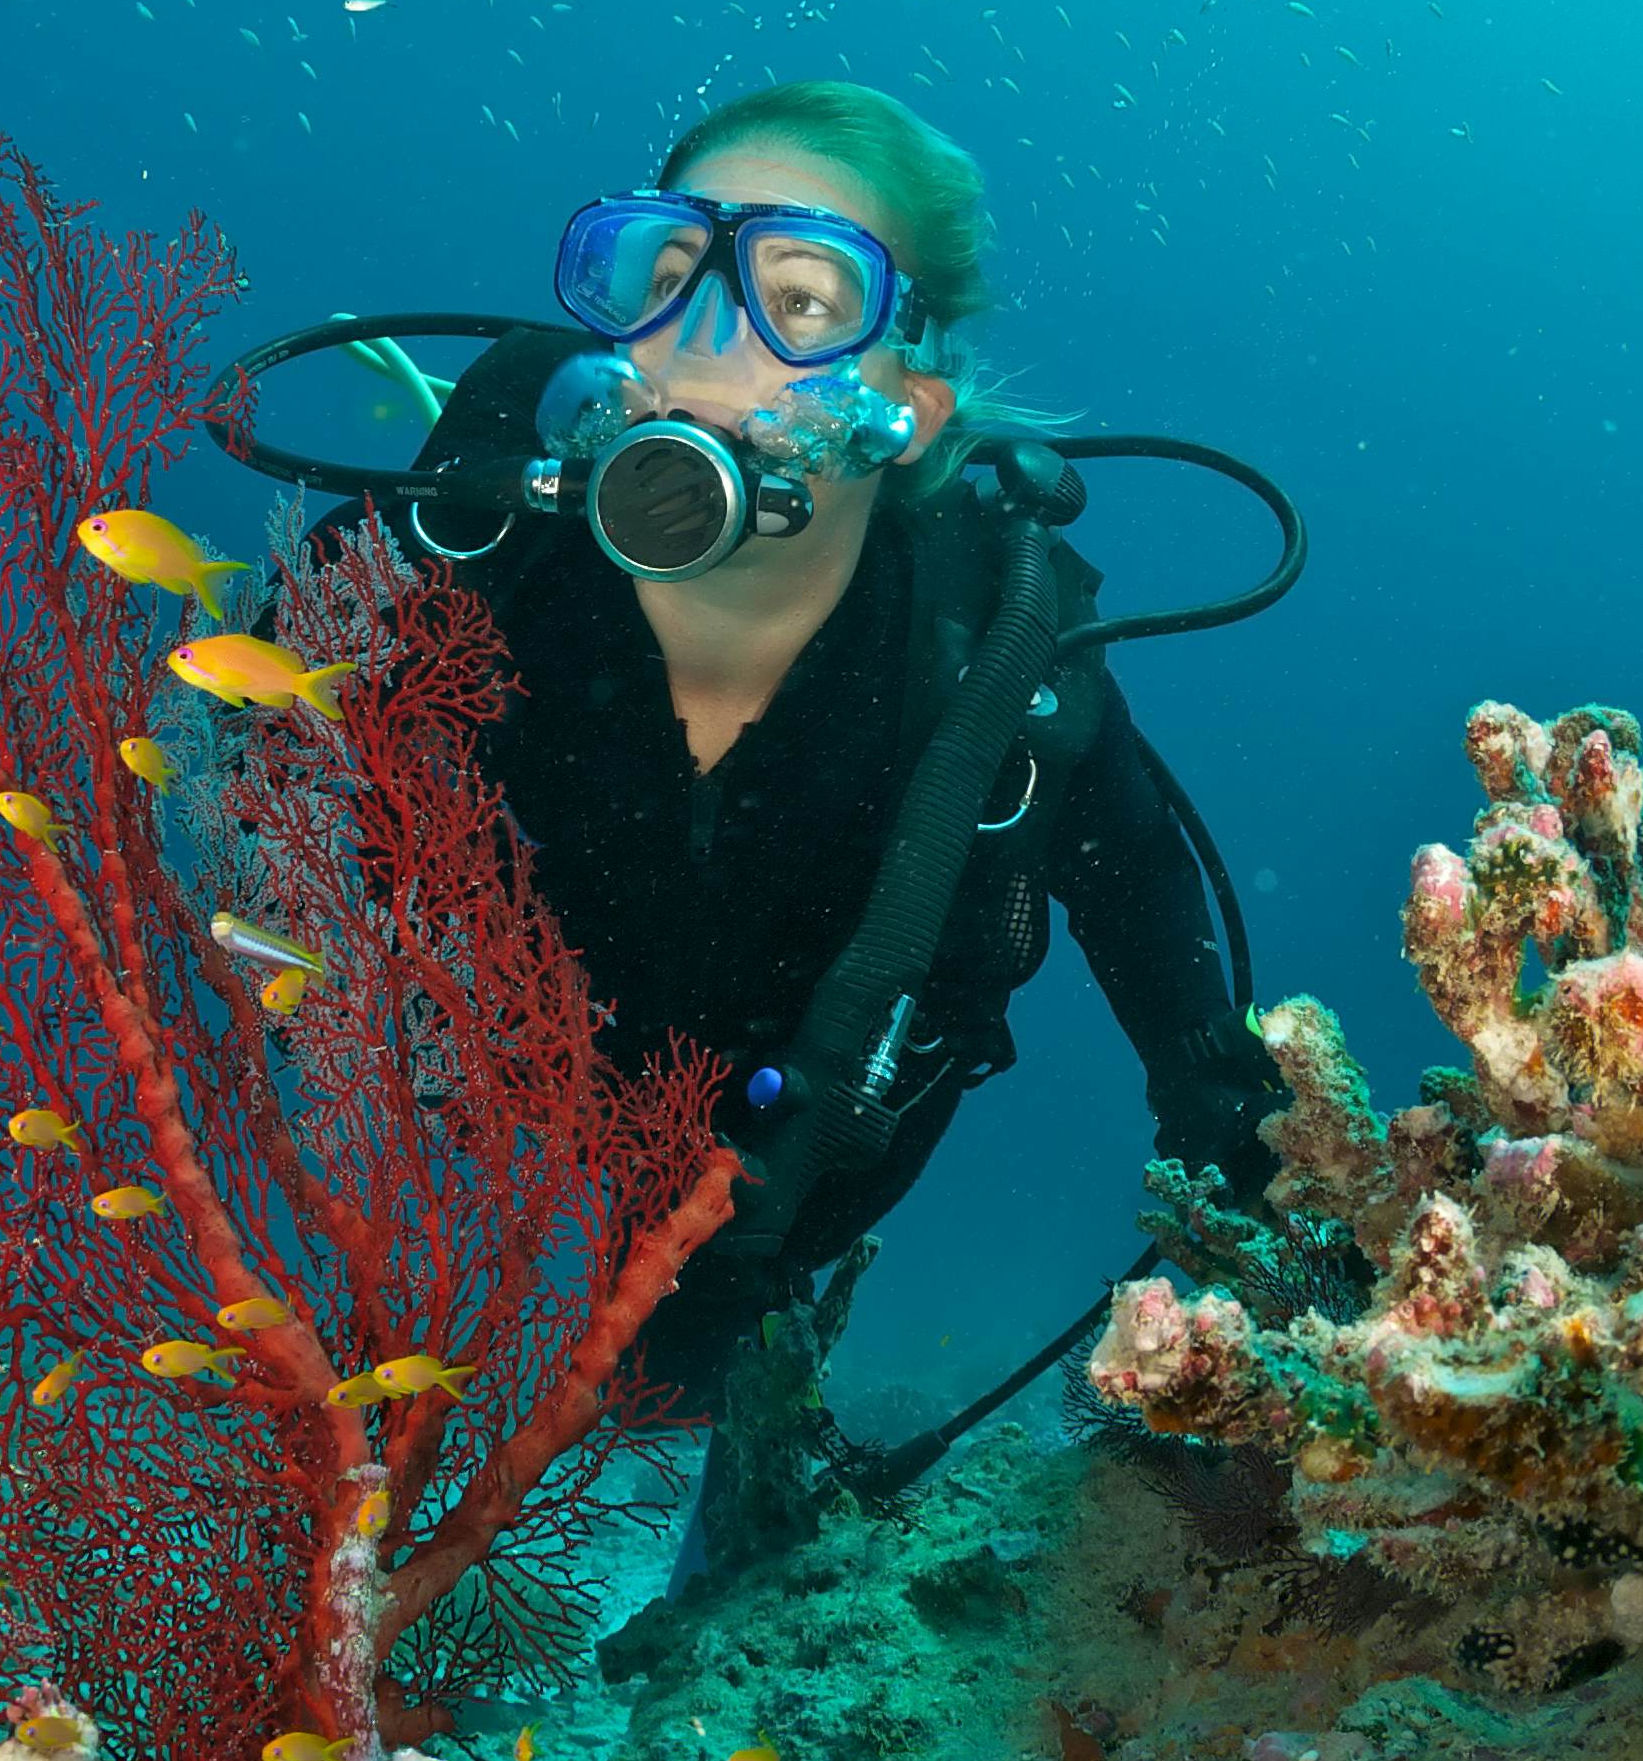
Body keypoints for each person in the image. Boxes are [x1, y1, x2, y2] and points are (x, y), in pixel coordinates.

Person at [368, 80, 1285, 1408]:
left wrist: (1239, 1133)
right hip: (464, 1153)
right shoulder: (473, 555)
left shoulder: (987, 657)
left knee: (711, 1394)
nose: (701, 339)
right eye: (668, 272)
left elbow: (1139, 880)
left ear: (904, 404)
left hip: (803, 1177)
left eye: (799, 300)